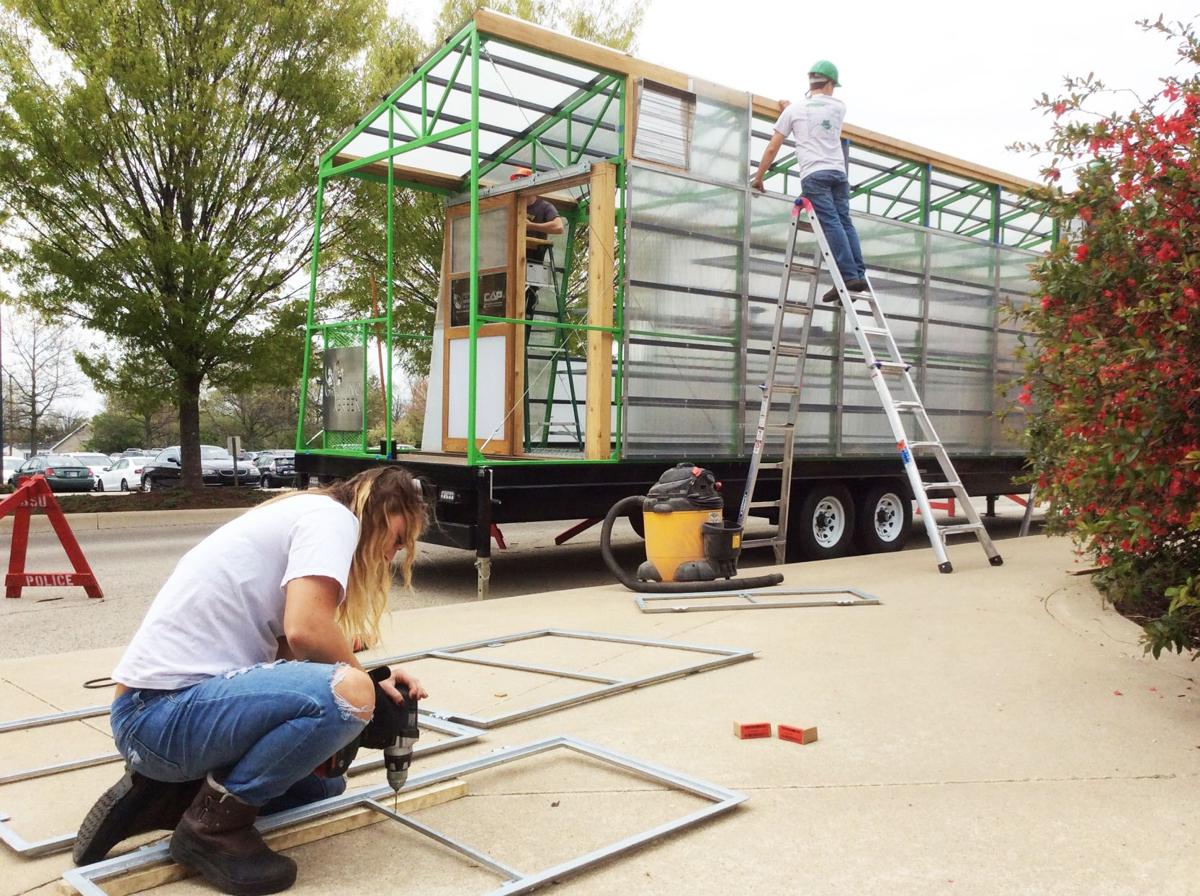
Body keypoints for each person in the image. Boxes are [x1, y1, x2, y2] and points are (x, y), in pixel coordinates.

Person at [72, 467, 429, 896]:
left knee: (322, 786)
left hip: (157, 717)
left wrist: (374, 682)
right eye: (398, 539)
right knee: (349, 694)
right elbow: (307, 629)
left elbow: (288, 652)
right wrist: (363, 693)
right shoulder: (333, 519)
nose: (393, 554)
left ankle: (168, 796)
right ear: (383, 510)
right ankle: (211, 829)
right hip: (156, 715)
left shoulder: (304, 513)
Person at [751, 60, 868, 304]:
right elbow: (816, 110)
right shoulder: (839, 107)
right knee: (844, 222)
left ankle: (848, 276)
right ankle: (856, 274)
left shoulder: (794, 111)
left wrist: (759, 177)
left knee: (831, 223)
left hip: (814, 175)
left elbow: (773, 147)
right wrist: (791, 109)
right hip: (838, 174)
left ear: (811, 82)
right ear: (830, 84)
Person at [510, 167, 565, 318]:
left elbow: (559, 227)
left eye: (521, 181)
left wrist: (532, 226)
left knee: (529, 296)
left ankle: (526, 322)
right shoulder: (513, 205)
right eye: (516, 182)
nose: (518, 186)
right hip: (513, 260)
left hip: (534, 259)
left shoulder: (544, 207)